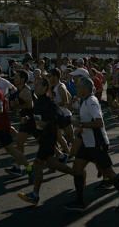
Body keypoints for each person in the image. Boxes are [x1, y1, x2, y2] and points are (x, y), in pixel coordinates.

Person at [68, 78, 119, 211]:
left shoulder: (91, 101)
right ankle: (79, 201)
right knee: (77, 169)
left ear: (85, 88)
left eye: (78, 86)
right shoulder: (84, 101)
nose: (76, 88)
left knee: (108, 171)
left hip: (97, 143)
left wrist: (80, 124)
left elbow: (99, 123)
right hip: (87, 143)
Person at [17, 77, 77, 206]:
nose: (35, 87)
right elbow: (38, 119)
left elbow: (58, 119)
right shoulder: (39, 102)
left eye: (38, 85)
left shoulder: (48, 103)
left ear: (45, 88)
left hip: (48, 138)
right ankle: (77, 174)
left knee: (38, 164)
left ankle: (35, 195)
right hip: (45, 137)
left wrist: (47, 123)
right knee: (52, 163)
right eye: (35, 85)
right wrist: (28, 119)